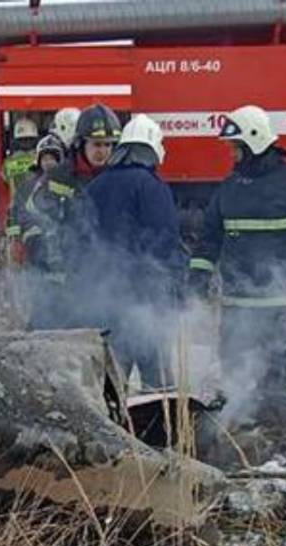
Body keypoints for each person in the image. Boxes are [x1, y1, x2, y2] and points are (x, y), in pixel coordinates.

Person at [188, 105, 286, 412]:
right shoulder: (229, 188)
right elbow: (209, 238)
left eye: (235, 148)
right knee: (234, 379)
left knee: (275, 384)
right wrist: (198, 276)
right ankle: (237, 439)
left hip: (277, 306)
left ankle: (276, 443)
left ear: (254, 141)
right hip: (235, 305)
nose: (232, 155)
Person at [76, 114, 184, 387]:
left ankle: (111, 426)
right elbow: (165, 242)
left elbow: (81, 242)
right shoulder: (152, 186)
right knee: (157, 379)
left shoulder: (95, 187)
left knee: (111, 381)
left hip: (105, 299)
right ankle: (160, 425)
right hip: (145, 298)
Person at [23, 103, 120, 330]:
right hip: (58, 280)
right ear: (80, 143)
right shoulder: (59, 178)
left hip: (102, 280)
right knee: (44, 339)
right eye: (96, 144)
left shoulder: (117, 179)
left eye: (108, 145)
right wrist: (48, 256)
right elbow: (32, 217)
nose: (102, 152)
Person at [15, 134, 69, 329]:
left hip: (61, 247)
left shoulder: (66, 182)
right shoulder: (29, 185)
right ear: (38, 161)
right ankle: (39, 326)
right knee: (40, 288)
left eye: (53, 158)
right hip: (36, 245)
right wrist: (26, 235)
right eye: (45, 158)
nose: (49, 163)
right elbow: (18, 212)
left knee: (61, 289)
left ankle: (58, 323)